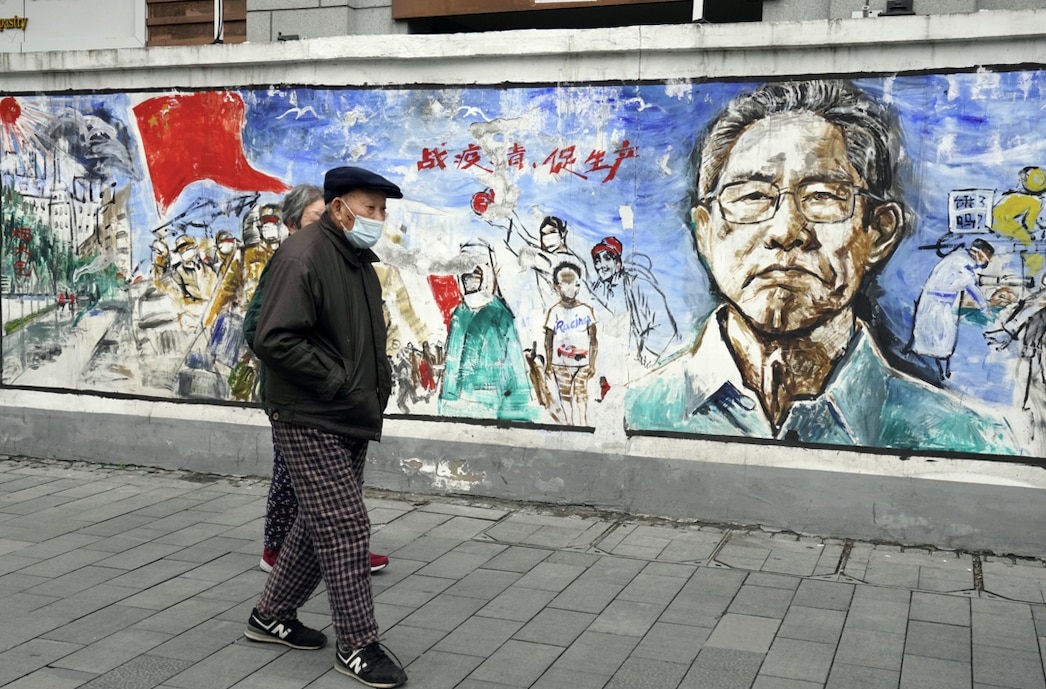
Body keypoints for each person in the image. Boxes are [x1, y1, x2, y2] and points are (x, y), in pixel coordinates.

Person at [625, 79, 1016, 455]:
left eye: (823, 195)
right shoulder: (632, 414)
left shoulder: (966, 436)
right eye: (752, 196)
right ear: (705, 233)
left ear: (878, 233)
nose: (786, 231)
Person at [244, 166, 407, 688]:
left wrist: (363, 389)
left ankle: (271, 615)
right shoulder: (304, 255)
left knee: (320, 522)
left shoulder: (353, 257)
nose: (379, 219)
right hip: (310, 412)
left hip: (347, 411)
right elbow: (274, 337)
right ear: (340, 209)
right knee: (345, 524)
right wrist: (337, 382)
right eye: (371, 208)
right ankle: (358, 644)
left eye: (383, 210)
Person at [244, 185, 390, 576]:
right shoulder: (292, 261)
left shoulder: (343, 260)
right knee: (292, 479)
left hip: (332, 397)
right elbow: (260, 331)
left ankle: (309, 568)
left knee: (325, 491)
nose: (328, 221)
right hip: (300, 397)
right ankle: (279, 549)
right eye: (316, 216)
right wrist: (329, 375)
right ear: (293, 225)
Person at [908, 238, 996, 379]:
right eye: (987, 259)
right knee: (938, 337)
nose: (986, 263)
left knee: (939, 337)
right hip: (935, 305)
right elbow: (972, 288)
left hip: (940, 303)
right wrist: (984, 307)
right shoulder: (961, 263)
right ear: (979, 254)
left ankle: (936, 368)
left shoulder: (960, 259)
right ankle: (930, 369)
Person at [590, 236, 680, 366]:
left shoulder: (637, 285)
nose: (601, 265)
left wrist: (650, 351)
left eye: (607, 259)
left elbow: (664, 322)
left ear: (618, 264)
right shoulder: (596, 290)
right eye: (597, 260)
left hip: (637, 363)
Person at [544, 261, 598, 425]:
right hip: (560, 364)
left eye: (574, 283)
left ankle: (582, 423)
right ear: (556, 287)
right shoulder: (554, 311)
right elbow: (548, 340)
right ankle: (569, 425)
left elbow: (593, 340)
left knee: (581, 394)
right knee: (565, 394)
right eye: (564, 283)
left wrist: (592, 363)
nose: (569, 287)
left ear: (579, 285)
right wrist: (548, 364)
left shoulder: (586, 310)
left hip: (582, 363)